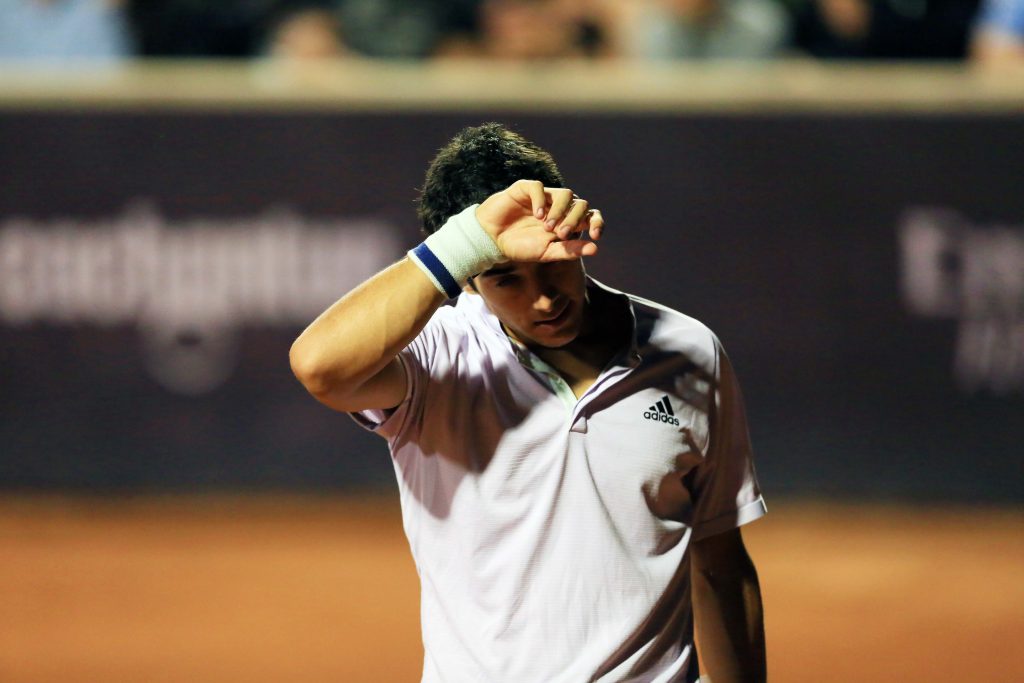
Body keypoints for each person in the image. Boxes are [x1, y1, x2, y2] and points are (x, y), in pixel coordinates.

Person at [290, 123, 767, 682]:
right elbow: (319, 366)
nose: (542, 298)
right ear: (467, 281)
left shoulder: (689, 349)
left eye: (551, 262)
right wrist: (467, 242)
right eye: (504, 277)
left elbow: (720, 564)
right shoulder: (438, 356)